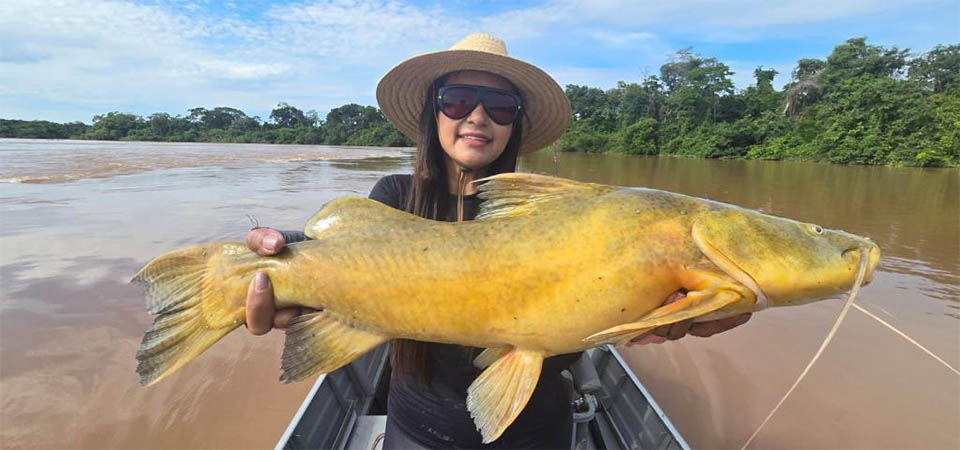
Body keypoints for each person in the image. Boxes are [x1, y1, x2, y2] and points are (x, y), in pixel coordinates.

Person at [242, 34, 751, 448]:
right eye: (458, 100)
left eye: (501, 106)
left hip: (535, 430)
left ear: (516, 123)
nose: (478, 116)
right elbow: (339, 251)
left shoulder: (557, 209)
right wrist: (271, 256)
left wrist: (670, 309)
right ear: (433, 113)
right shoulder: (394, 195)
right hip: (417, 429)